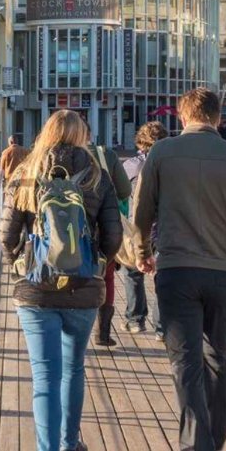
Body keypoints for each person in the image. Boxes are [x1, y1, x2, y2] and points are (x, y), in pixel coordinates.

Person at [131, 88, 226, 451]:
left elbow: (141, 213)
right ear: (218, 118)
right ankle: (214, 439)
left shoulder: (161, 153)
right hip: (224, 274)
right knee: (217, 359)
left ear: (181, 117)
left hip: (176, 270)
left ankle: (197, 444)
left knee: (185, 360)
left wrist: (143, 252)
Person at [0, 109, 122, 451]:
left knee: (45, 376)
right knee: (73, 369)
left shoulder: (27, 172)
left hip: (35, 288)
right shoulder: (98, 176)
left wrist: (18, 265)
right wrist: (95, 262)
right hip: (84, 288)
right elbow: (113, 238)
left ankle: (47, 448)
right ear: (82, 134)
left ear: (46, 134)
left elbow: (7, 235)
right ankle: (70, 443)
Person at [121, 120, 168, 334]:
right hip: (165, 227)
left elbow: (119, 191)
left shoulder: (132, 165)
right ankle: (162, 327)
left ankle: (135, 319)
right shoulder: (171, 165)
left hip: (136, 227)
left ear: (141, 143)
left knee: (132, 272)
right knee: (163, 276)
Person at [89, 130, 132, 348]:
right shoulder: (105, 155)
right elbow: (125, 190)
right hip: (103, 227)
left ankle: (70, 333)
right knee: (106, 276)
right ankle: (102, 333)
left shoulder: (51, 155)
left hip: (65, 230)